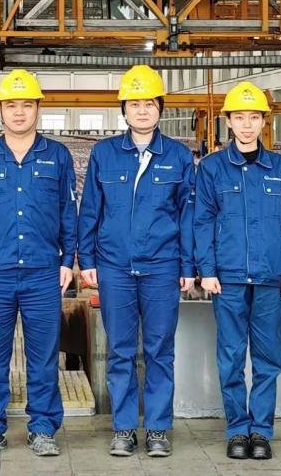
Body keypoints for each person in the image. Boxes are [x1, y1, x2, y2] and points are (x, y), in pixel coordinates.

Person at [77, 64, 194, 458]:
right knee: (121, 350)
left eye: (149, 104)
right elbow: (90, 210)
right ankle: (124, 428)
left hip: (162, 266)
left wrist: (187, 266)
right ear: (123, 110)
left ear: (160, 108)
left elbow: (188, 215)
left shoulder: (178, 156)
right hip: (114, 267)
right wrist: (87, 258)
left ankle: (158, 428)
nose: (142, 111)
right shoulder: (104, 153)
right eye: (134, 104)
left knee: (160, 350)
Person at [0, 69, 78, 459]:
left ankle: (42, 428)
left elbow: (68, 212)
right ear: (0, 110)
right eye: (11, 105)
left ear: (37, 109)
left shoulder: (57, 156)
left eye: (26, 105)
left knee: (43, 356)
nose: (18, 112)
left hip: (43, 272)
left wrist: (68, 260)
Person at [192, 81, 281, 460]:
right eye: (239, 117)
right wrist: (206, 269)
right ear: (228, 121)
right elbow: (202, 221)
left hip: (271, 277)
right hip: (229, 278)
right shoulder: (212, 169)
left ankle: (261, 431)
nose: (246, 124)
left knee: (268, 358)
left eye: (253, 117)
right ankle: (238, 429)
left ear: (263, 122)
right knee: (231, 357)